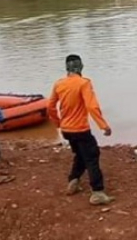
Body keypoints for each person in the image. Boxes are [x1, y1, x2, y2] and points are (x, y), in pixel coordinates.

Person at [47, 55, 114, 205]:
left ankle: (74, 179)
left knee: (80, 154)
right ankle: (97, 192)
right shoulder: (84, 83)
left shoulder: (59, 84)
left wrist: (58, 123)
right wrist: (103, 126)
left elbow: (50, 106)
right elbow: (92, 106)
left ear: (67, 68)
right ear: (80, 67)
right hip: (80, 129)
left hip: (66, 130)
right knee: (92, 156)